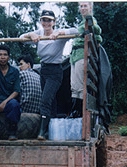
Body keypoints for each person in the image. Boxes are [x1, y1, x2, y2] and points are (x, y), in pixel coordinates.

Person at [20, 10, 78, 140]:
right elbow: (21, 39)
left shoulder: (59, 35)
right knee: (50, 102)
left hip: (55, 71)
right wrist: (31, 34)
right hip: (43, 70)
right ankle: (51, 131)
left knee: (45, 100)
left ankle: (42, 132)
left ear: (54, 22)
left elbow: (76, 31)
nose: (46, 23)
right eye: (44, 20)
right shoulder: (39, 33)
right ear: (40, 21)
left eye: (49, 20)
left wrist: (60, 32)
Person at [69, 2, 102, 118]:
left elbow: (98, 31)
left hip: (81, 55)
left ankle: (79, 112)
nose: (83, 8)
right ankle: (74, 111)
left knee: (80, 85)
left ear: (90, 7)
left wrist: (82, 30)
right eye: (81, 6)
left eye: (85, 6)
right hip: (74, 57)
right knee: (74, 85)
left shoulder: (90, 20)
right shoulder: (81, 22)